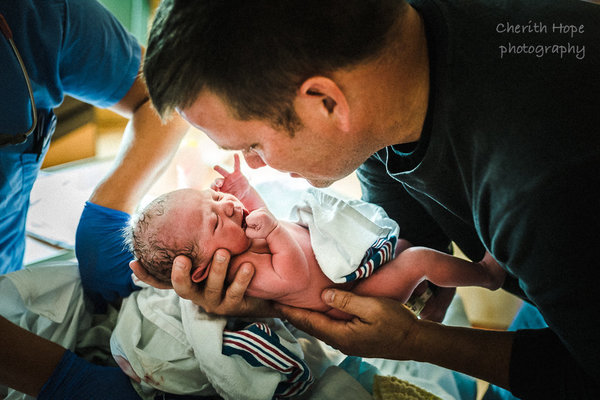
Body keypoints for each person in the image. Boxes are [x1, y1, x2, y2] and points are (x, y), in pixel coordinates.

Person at [136, 0, 600, 399]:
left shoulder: (536, 191)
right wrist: (270, 301)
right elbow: (399, 237)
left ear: (325, 103)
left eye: (252, 146)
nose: (253, 167)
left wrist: (417, 342)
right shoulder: (394, 67)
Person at [0, 0, 234, 398]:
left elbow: (164, 99)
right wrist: (62, 380)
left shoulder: (38, 16)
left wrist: (112, 201)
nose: (230, 208)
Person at [128, 155, 505, 319]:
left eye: (213, 197)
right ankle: (487, 276)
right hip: (356, 293)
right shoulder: (244, 271)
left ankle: (433, 307)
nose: (226, 206)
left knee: (403, 249)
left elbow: (260, 215)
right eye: (213, 221)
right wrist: (274, 231)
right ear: (201, 270)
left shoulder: (238, 236)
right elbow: (294, 276)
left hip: (355, 266)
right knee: (418, 260)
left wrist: (243, 189)